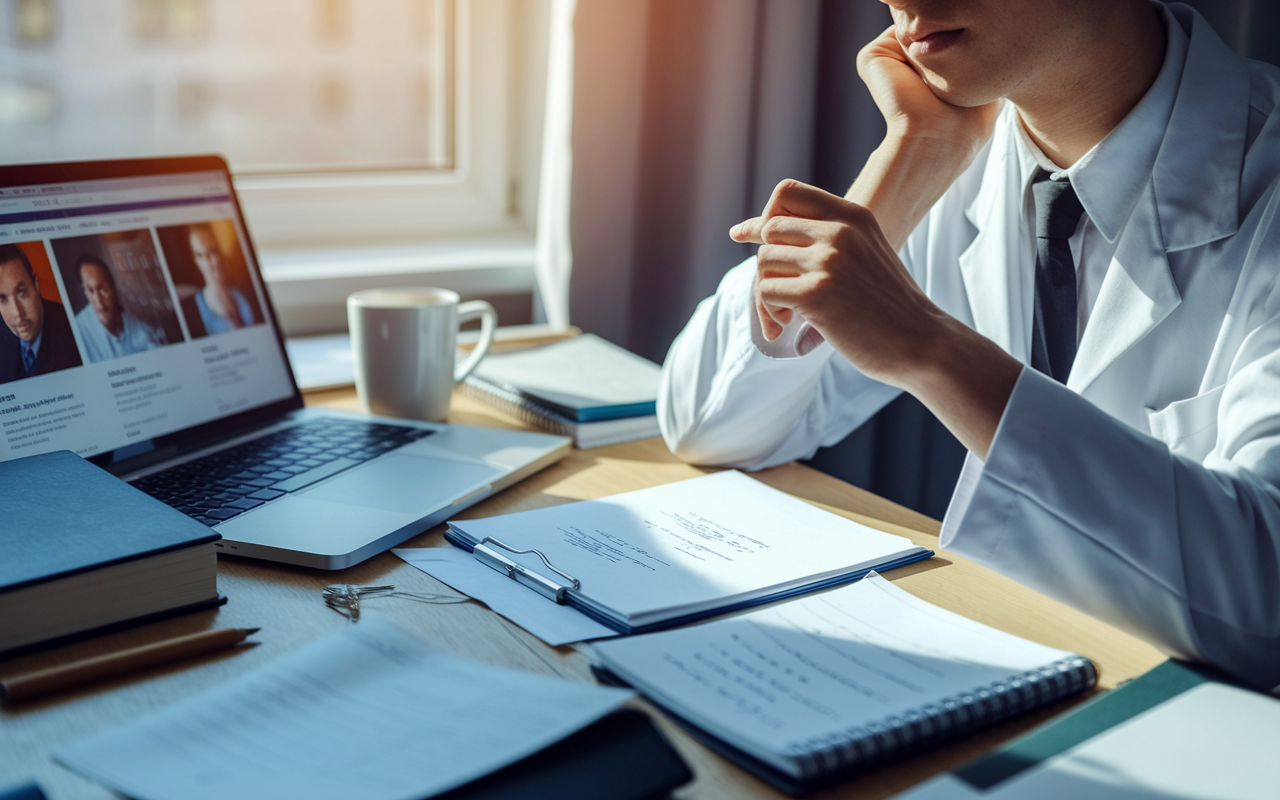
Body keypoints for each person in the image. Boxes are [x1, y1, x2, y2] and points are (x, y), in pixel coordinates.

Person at [659, 1, 1280, 691]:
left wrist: (930, 348)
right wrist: (909, 158)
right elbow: (711, 428)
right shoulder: (972, 160)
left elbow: (1266, 603)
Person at [0, 244, 82, 383]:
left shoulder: (74, 329)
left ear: (36, 285)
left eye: (21, 293)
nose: (17, 313)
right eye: (3, 299)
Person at [74, 254, 168, 363]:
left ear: (113, 288)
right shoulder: (78, 333)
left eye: (102, 289)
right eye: (90, 291)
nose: (99, 301)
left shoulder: (141, 330)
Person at [182, 223, 257, 337]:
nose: (207, 262)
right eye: (199, 255)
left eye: (211, 252)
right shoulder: (191, 312)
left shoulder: (248, 295)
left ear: (222, 252)